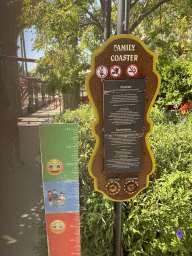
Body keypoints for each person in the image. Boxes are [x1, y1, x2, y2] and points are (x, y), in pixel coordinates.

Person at [0, 98, 25, 170]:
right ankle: (18, 161)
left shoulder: (2, 114)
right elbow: (17, 119)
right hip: (14, 131)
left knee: (9, 149)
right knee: (17, 146)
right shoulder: (12, 112)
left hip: (6, 133)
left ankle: (10, 165)